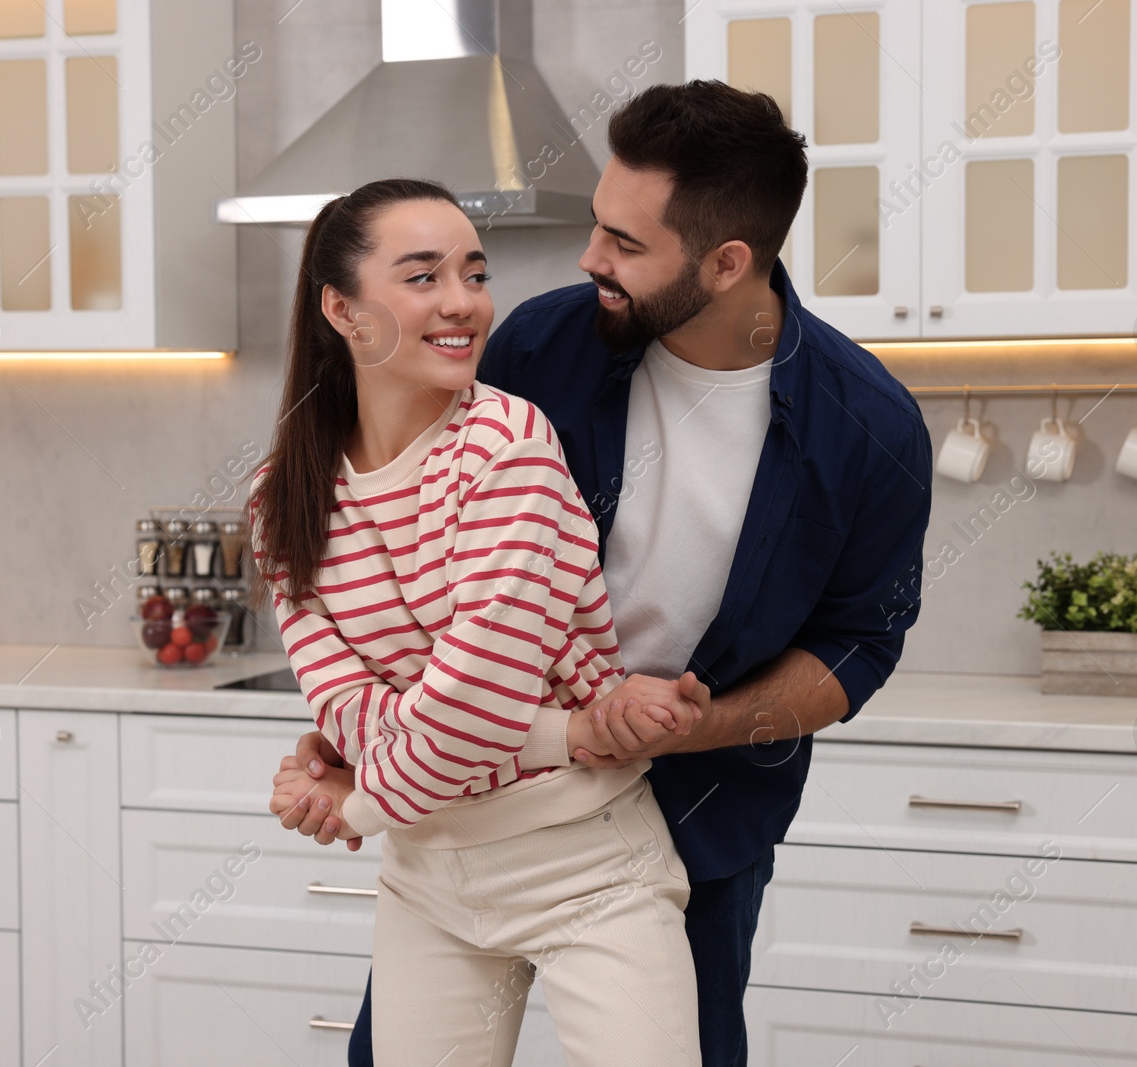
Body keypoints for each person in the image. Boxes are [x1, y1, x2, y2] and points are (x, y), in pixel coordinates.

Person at [279, 81, 933, 1066]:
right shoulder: (543, 346)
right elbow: (407, 534)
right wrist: (365, 732)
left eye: (625, 244)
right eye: (596, 226)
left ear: (726, 262)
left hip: (699, 808)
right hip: (470, 803)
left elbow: (856, 645)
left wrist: (684, 724)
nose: (590, 259)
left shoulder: (868, 429)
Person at [253, 177, 707, 1066]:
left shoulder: (508, 449)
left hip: (585, 863)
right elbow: (347, 704)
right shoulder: (288, 497)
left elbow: (470, 709)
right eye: (423, 277)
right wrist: (567, 730)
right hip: (427, 873)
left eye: (474, 271)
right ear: (341, 308)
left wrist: (362, 797)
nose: (463, 303)